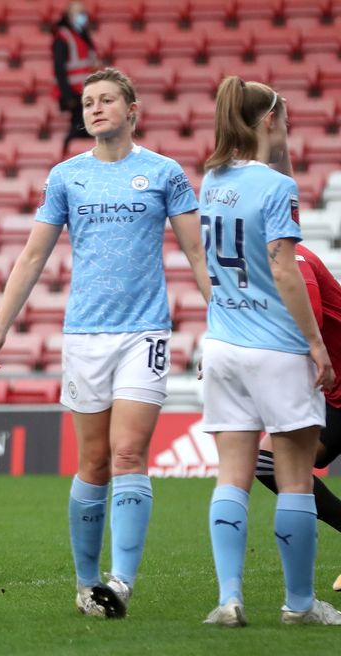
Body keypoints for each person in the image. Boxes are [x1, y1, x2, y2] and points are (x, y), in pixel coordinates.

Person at [0, 68, 211, 619]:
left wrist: (222, 325)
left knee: (129, 453)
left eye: (107, 100)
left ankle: (121, 582)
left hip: (144, 332)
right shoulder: (65, 176)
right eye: (88, 102)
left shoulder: (164, 173)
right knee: (94, 461)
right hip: (84, 335)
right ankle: (87, 585)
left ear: (133, 110)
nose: (96, 109)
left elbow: (197, 255)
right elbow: (33, 257)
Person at [198, 76, 341, 627]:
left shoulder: (213, 179)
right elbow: (283, 267)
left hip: (224, 346)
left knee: (231, 476)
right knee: (296, 478)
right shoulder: (278, 187)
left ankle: (229, 599)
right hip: (275, 347)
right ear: (269, 122)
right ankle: (300, 605)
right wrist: (315, 343)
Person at [253, 241, 341, 595]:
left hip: (331, 386)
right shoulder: (252, 262)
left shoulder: (295, 258)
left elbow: (310, 325)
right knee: (267, 461)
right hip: (334, 393)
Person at [52, 0, 98, 156]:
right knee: (80, 126)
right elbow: (59, 69)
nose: (82, 17)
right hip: (74, 92)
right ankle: (65, 154)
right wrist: (67, 95)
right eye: (78, 13)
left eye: (83, 13)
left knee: (85, 127)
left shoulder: (82, 35)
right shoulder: (63, 37)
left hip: (85, 91)